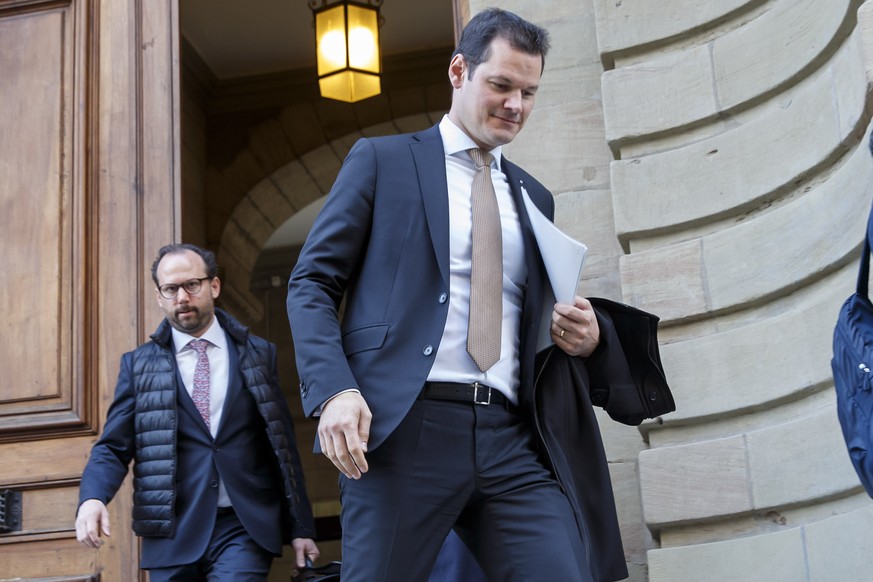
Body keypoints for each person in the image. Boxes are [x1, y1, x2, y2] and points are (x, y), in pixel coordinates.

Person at [288, 8, 637, 582]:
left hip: (513, 438)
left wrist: (584, 335)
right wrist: (335, 391)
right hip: (406, 430)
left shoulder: (534, 197)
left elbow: (531, 317)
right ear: (459, 71)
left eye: (529, 92)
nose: (516, 105)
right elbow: (311, 283)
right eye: (501, 85)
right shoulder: (382, 162)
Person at [76, 243, 319, 581]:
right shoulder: (138, 366)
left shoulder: (259, 355)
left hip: (243, 526)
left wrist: (301, 527)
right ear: (160, 297)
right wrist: (92, 498)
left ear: (213, 286)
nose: (182, 297)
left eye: (192, 285)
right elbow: (113, 446)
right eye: (171, 289)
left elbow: (282, 447)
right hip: (172, 531)